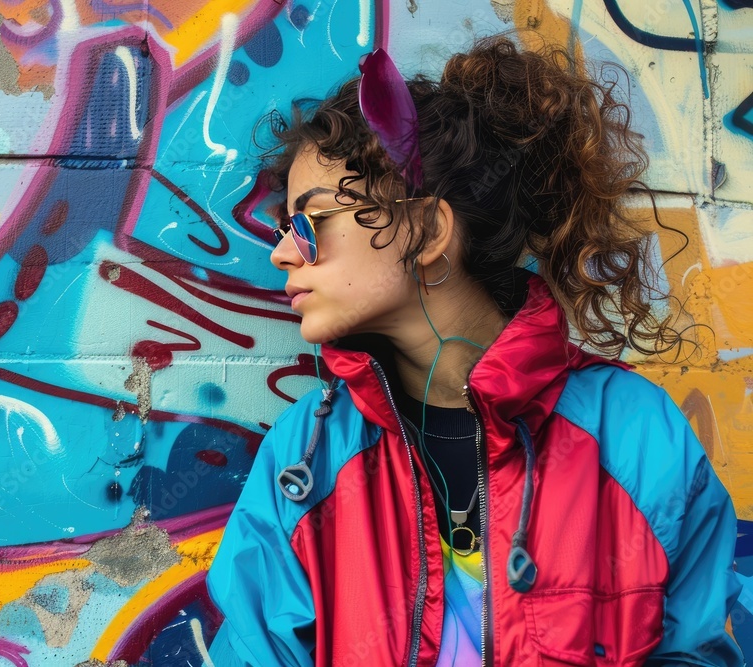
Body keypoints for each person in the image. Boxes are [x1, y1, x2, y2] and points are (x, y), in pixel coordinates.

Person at [203, 35, 745, 667]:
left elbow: (691, 652)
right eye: (284, 227)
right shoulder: (307, 458)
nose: (281, 253)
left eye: (310, 222)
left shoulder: (634, 436)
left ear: (429, 230)